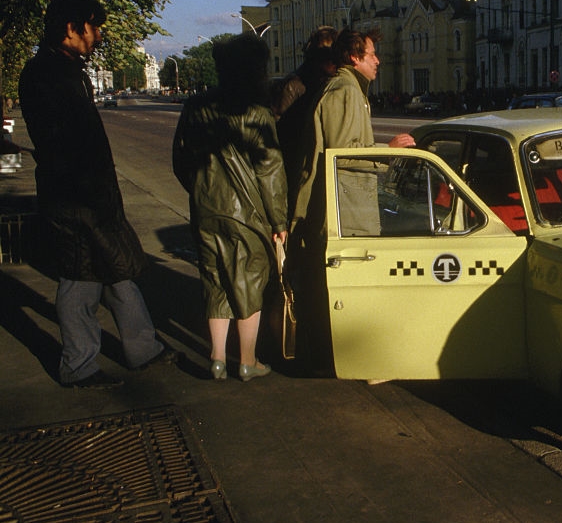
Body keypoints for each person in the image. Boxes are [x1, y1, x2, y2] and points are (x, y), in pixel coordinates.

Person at [18, 0, 177, 388]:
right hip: (76, 196)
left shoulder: (62, 68)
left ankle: (143, 349)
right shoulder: (48, 73)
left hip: (89, 192)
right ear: (72, 28)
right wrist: (88, 194)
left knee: (116, 269)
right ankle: (79, 365)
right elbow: (64, 142)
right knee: (80, 281)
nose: (99, 35)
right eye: (95, 26)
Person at [288, 28, 413, 374]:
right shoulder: (345, 91)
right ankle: (354, 361)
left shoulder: (350, 89)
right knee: (349, 289)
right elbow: (341, 155)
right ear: (354, 57)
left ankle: (345, 358)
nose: (378, 60)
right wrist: (386, 152)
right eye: (372, 54)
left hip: (348, 205)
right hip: (345, 209)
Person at [172, 35, 288, 382]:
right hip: (248, 213)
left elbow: (181, 159)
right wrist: (279, 219)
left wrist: (200, 190)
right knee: (249, 281)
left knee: (215, 279)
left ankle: (218, 358)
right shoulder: (256, 113)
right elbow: (270, 170)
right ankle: (248, 360)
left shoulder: (195, 106)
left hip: (206, 208)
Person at [273, 26, 338, 218]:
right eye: (333, 55)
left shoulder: (326, 84)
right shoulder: (295, 86)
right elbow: (279, 139)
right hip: (295, 175)